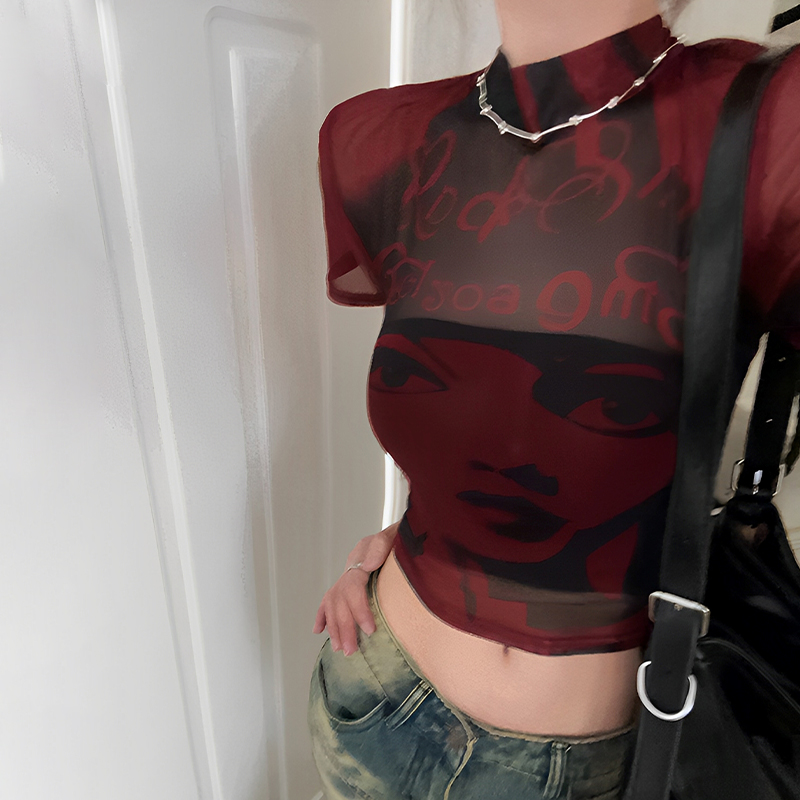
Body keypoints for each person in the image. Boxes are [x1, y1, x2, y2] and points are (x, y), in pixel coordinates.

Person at [308, 1, 800, 798]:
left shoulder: (772, 122)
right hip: (368, 689)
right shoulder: (380, 137)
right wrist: (399, 533)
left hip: (570, 764)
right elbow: (479, 406)